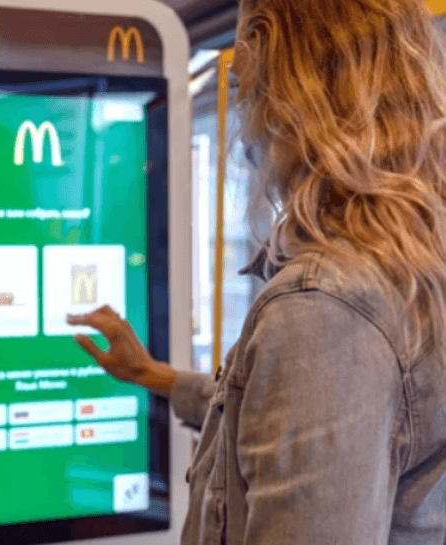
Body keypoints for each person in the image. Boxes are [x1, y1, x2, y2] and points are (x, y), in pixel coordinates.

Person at [69, 0, 446, 542]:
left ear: (290, 94)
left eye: (245, 89)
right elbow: (290, 415)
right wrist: (152, 375)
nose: (244, 132)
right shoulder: (403, 265)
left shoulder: (323, 308)